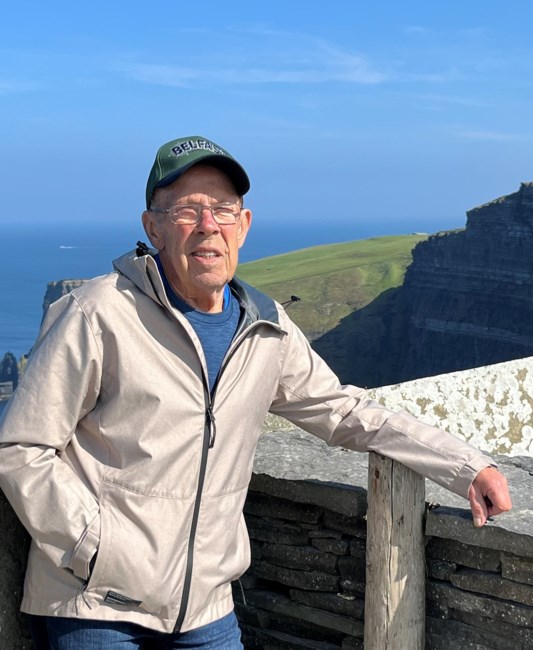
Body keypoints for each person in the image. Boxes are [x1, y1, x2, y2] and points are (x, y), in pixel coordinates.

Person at [0, 135, 511, 649]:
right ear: (152, 227)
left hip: (204, 608)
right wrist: (95, 547)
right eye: (186, 210)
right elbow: (22, 447)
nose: (208, 225)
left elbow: (344, 411)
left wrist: (465, 466)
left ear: (243, 225)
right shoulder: (96, 314)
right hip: (96, 604)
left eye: (223, 209)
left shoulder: (266, 328)